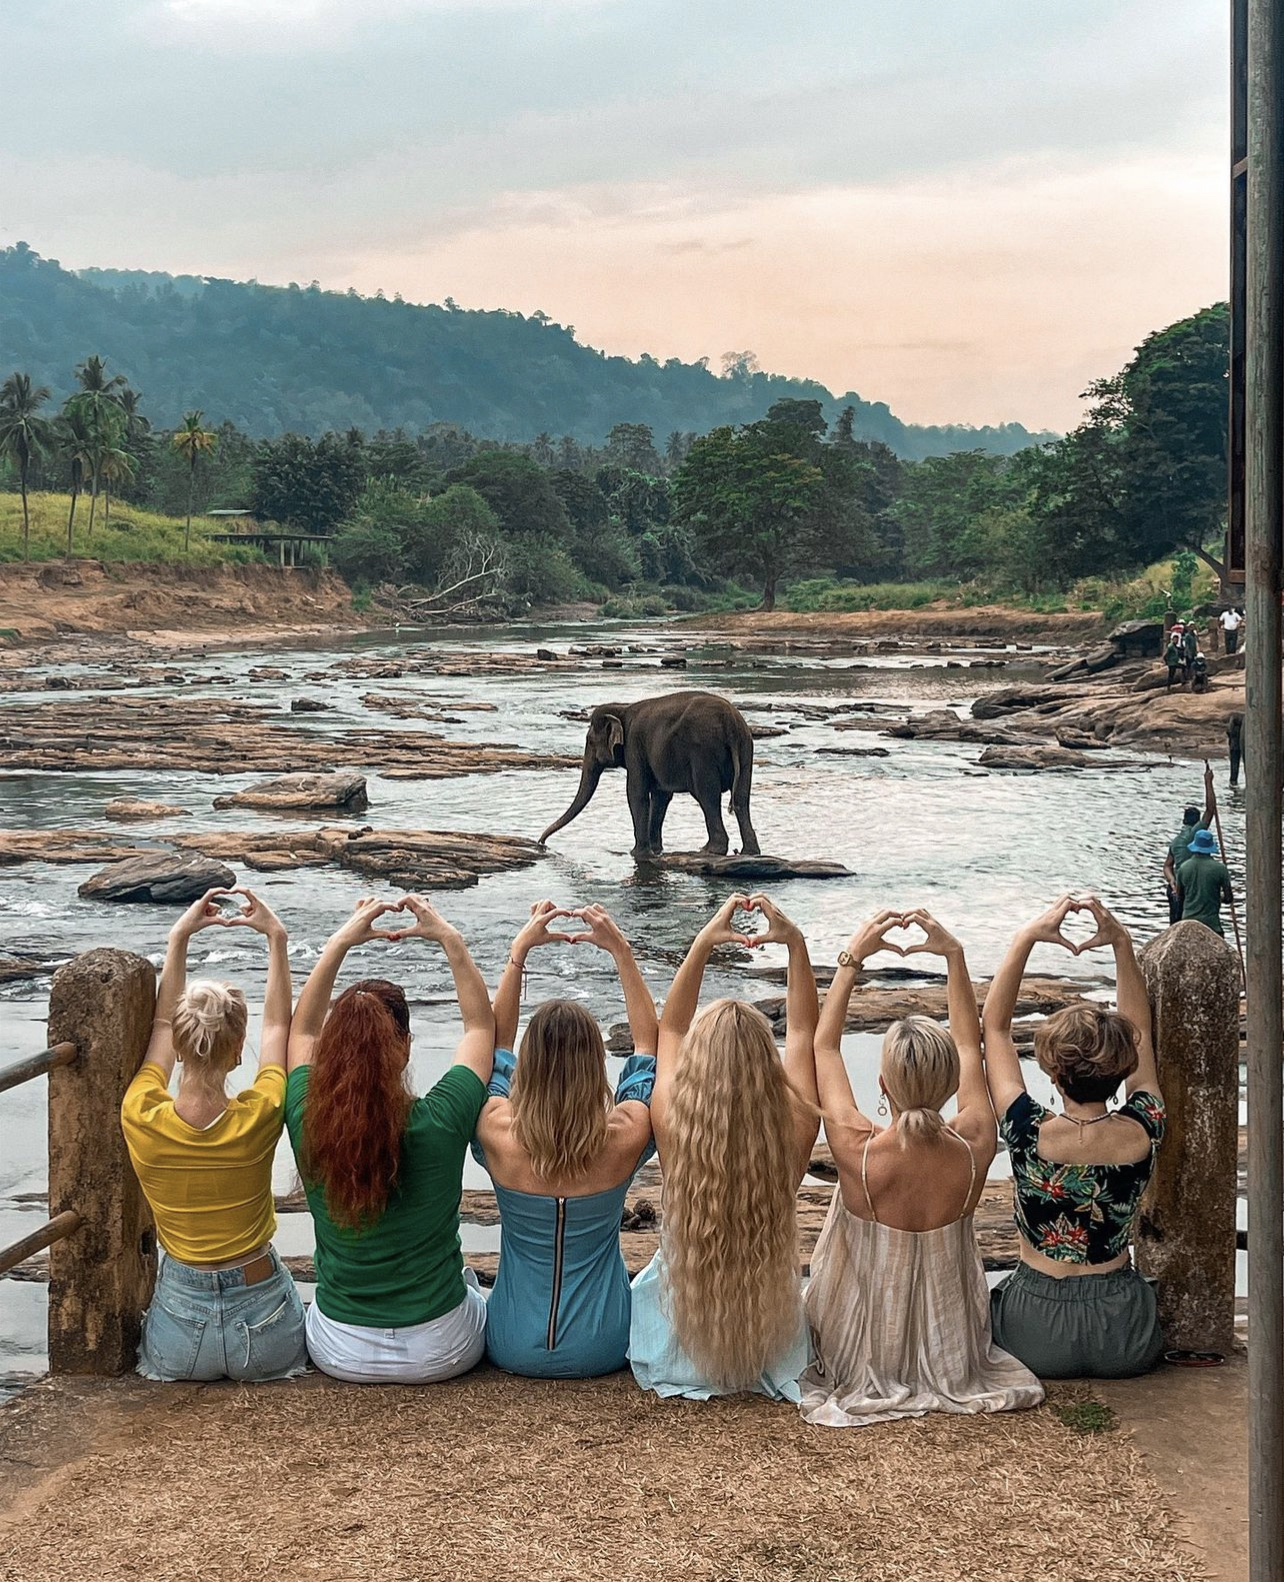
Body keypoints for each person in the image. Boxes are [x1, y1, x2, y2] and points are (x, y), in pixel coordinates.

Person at [799, 908, 1042, 1427]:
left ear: (883, 1087)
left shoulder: (857, 1153)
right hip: (951, 1346)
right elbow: (969, 1042)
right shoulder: (975, 1145)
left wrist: (851, 959)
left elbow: (823, 1045)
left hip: (860, 1348)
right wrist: (953, 956)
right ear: (953, 1086)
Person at [284, 895, 495, 1384]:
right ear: (403, 1048)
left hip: (340, 1348)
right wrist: (450, 939)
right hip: (443, 1348)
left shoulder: (305, 1114)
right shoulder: (440, 1117)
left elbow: (302, 1031)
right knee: (476, 1293)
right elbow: (481, 1026)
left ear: (332, 1051)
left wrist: (339, 941)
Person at [629, 893, 819, 1401]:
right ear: (765, 1065)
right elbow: (803, 1030)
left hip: (683, 1325)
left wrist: (704, 943)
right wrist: (795, 945)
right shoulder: (797, 1122)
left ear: (697, 1067)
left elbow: (669, 1026)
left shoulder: (672, 1121)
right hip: (767, 1331)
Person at [121, 887, 308, 1382]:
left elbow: (161, 1026)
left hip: (181, 1330)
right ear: (236, 1049)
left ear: (180, 1048)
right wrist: (277, 939)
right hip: (263, 1323)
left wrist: (178, 938)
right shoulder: (262, 1110)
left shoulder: (140, 1112)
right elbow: (277, 1030)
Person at [472, 900, 658, 1378]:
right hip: (604, 1343)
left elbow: (496, 1047)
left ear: (527, 1069)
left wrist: (519, 953)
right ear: (597, 1067)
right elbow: (647, 1048)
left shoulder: (498, 1131)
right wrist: (621, 951)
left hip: (511, 1341)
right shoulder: (623, 1135)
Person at [983, 896, 1165, 1379]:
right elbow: (1141, 1031)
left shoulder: (1026, 1130)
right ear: (1122, 1067)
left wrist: (1026, 938)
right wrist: (1123, 945)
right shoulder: (1145, 1126)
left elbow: (995, 1029)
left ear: (1054, 1075)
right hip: (1122, 1331)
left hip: (1035, 1330)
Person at [1163, 765, 1215, 924]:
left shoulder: (1176, 840)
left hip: (1174, 889)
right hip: (1190, 891)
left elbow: (1167, 866)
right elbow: (1210, 810)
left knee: (1175, 926)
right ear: (1196, 822)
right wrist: (1208, 783)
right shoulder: (1196, 833)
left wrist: (1171, 880)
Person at [1175, 828, 1234, 938]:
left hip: (1188, 923)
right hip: (1212, 925)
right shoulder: (1221, 869)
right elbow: (1228, 898)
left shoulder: (1183, 868)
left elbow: (1179, 898)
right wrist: (1216, 897)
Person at [1163, 626, 1184, 692]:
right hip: (1172, 663)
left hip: (1175, 662)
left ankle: (1183, 680)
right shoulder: (1170, 646)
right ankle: (1168, 686)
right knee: (1171, 675)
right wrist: (1167, 662)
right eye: (1175, 639)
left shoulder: (1175, 646)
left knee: (1183, 667)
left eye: (1177, 639)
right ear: (1172, 639)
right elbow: (1165, 655)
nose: (1176, 640)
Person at [1227, 711, 1244, 788]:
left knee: (1234, 766)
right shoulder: (1242, 729)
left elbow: (1229, 733)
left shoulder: (1232, 729)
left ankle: (1233, 781)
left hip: (1234, 747)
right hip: (1241, 746)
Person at [1180, 617, 1199, 683]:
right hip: (1189, 653)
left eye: (1193, 626)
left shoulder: (1194, 635)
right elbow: (1186, 645)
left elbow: (1195, 643)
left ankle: (1193, 676)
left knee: (1194, 665)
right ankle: (1188, 678)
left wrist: (1196, 652)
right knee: (1188, 666)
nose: (1192, 628)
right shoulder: (1187, 636)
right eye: (1191, 626)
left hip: (1193, 652)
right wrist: (1188, 653)